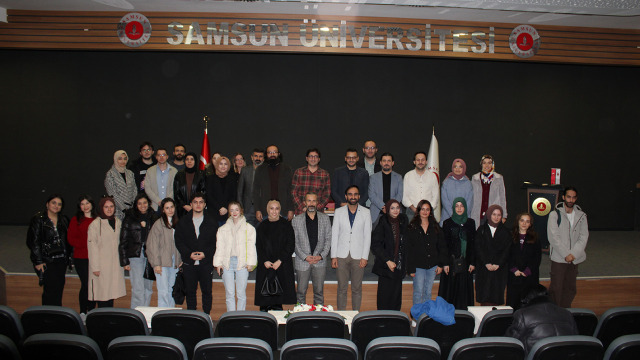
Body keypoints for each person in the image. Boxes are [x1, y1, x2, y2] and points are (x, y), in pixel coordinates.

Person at [174, 192, 218, 314]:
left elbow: (215, 242)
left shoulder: (212, 222)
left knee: (207, 292)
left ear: (204, 205)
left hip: (206, 263)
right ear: (191, 204)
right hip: (189, 263)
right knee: (190, 293)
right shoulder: (183, 222)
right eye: (195, 202)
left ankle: (206, 316)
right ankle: (191, 317)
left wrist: (206, 254)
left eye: (201, 202)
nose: (198, 205)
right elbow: (179, 241)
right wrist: (188, 254)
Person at [505, 284, 578, 354]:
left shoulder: (522, 315)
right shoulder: (567, 313)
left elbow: (510, 342)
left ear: (525, 299)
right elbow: (575, 340)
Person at [331, 185, 372, 311]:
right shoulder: (338, 212)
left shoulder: (366, 212)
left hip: (358, 256)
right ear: (346, 196)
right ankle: (341, 317)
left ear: (359, 196)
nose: (353, 197)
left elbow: (367, 236)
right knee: (342, 288)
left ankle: (355, 316)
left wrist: (365, 257)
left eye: (355, 194)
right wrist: (333, 256)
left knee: (356, 288)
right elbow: (335, 234)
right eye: (350, 194)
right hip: (341, 255)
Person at [547, 186, 588, 308]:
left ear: (576, 199)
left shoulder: (582, 216)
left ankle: (566, 311)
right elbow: (553, 237)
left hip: (575, 259)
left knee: (570, 287)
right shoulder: (554, 215)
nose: (571, 200)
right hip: (559, 258)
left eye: (573, 197)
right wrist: (566, 254)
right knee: (556, 287)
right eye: (568, 197)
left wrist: (573, 254)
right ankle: (554, 312)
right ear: (563, 197)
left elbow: (583, 236)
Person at [27, 194, 70, 306]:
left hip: (61, 260)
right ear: (47, 204)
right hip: (47, 260)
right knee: (49, 290)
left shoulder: (63, 219)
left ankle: (57, 315)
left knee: (59, 288)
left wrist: (69, 258)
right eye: (53, 203)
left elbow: (67, 240)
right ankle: (47, 317)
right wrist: (38, 261)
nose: (56, 206)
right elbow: (33, 242)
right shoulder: (38, 219)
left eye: (59, 204)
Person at [213, 201, 257, 311]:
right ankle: (230, 317)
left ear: (241, 210)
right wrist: (218, 264)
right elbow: (220, 247)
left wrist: (251, 263)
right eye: (231, 210)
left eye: (236, 209)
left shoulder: (249, 228)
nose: (234, 212)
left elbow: (251, 247)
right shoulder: (222, 229)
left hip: (242, 263)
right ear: (229, 212)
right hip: (227, 263)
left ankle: (240, 316)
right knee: (229, 293)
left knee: (241, 293)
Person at [118, 193, 159, 309]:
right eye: (139, 203)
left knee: (148, 288)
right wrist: (124, 261)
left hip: (150, 256)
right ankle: (136, 314)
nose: (142, 206)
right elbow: (123, 239)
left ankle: (144, 313)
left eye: (145, 203)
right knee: (138, 288)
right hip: (135, 256)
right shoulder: (129, 217)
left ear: (149, 203)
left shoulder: (154, 217)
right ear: (136, 205)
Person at [254, 200, 296, 311]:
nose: (274, 211)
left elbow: (290, 245)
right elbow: (258, 246)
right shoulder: (261, 226)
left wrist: (280, 260)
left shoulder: (286, 225)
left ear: (280, 210)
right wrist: (264, 260)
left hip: (281, 266)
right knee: (264, 302)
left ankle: (278, 327)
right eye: (271, 208)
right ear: (267, 210)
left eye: (277, 208)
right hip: (266, 266)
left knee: (278, 303)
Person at [406, 200, 448, 306]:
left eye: (427, 209)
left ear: (430, 211)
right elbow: (409, 250)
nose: (425, 212)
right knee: (418, 292)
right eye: (422, 209)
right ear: (418, 210)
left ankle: (425, 318)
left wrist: (440, 264)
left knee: (427, 293)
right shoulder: (412, 227)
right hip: (418, 266)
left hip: (432, 266)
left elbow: (442, 247)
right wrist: (410, 268)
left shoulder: (436, 226)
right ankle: (416, 319)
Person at [292, 193, 332, 305]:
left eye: (314, 201)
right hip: (302, 261)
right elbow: (294, 243)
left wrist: (321, 256)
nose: (311, 203)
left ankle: (318, 318)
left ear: (317, 202)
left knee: (319, 292)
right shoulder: (296, 220)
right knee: (300, 292)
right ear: (304, 202)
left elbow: (328, 239)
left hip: (319, 261)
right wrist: (305, 257)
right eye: (309, 201)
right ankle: (299, 318)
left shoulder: (325, 219)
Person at [87, 196, 127, 307]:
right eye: (106, 207)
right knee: (102, 295)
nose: (109, 209)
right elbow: (92, 247)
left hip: (114, 265)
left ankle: (109, 320)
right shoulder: (95, 225)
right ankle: (102, 321)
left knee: (111, 294)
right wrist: (95, 267)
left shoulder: (118, 222)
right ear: (101, 208)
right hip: (101, 267)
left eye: (111, 206)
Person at [438, 197, 477, 310]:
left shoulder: (471, 223)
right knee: (450, 293)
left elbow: (473, 244)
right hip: (451, 264)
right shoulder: (447, 223)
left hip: (466, 264)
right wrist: (445, 263)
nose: (459, 208)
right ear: (453, 208)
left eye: (462, 206)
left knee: (464, 293)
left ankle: (464, 319)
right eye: (457, 206)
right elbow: (444, 245)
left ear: (465, 207)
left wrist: (473, 262)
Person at [371, 199, 408, 310]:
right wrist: (387, 261)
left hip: (399, 265)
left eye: (397, 207)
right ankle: (382, 322)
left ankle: (395, 323)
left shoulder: (403, 220)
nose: (396, 210)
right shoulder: (383, 221)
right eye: (392, 208)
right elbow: (375, 245)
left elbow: (407, 242)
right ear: (387, 209)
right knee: (384, 297)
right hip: (385, 266)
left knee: (396, 297)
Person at [146, 198, 182, 308]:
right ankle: (162, 316)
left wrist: (180, 260)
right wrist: (156, 264)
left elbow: (181, 243)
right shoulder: (158, 224)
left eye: (172, 207)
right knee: (163, 291)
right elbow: (152, 245)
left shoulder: (178, 223)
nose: (170, 210)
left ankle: (170, 313)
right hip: (161, 262)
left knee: (171, 289)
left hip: (173, 262)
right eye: (167, 208)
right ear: (163, 210)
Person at [474, 204, 511, 306]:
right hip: (484, 268)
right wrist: (486, 263)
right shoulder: (481, 230)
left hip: (499, 269)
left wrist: (498, 264)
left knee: (496, 296)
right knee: (484, 295)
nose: (496, 217)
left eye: (499, 215)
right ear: (489, 215)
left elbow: (507, 250)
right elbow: (478, 248)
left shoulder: (506, 231)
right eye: (494, 214)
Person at [67, 194, 98, 315]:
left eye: (87, 203)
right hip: (81, 257)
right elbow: (71, 239)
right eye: (82, 204)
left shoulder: (98, 219)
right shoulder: (76, 220)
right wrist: (88, 244)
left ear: (92, 204)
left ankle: (91, 310)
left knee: (94, 285)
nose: (85, 206)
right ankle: (82, 311)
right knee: (86, 284)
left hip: (95, 258)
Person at [506, 213, 542, 309]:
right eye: (522, 220)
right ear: (518, 222)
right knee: (513, 304)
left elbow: (537, 258)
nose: (524, 223)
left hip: (529, 276)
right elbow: (507, 255)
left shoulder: (535, 238)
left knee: (529, 305)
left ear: (530, 224)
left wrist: (527, 271)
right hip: (514, 275)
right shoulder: (510, 236)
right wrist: (514, 269)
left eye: (527, 221)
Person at [252, 145, 294, 221]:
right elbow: (256, 191)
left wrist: (290, 209)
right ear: (266, 155)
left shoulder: (287, 169)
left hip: (283, 210)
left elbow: (290, 191)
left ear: (279, 154)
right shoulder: (260, 170)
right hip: (265, 211)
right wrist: (257, 210)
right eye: (270, 152)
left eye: (274, 152)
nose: (272, 154)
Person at [291, 148, 331, 215]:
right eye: (311, 156)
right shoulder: (298, 172)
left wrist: (317, 208)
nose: (313, 159)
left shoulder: (325, 174)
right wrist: (302, 207)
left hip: (318, 213)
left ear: (319, 159)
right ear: (306, 158)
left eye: (316, 156)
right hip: (301, 212)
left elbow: (327, 195)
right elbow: (293, 192)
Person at [471, 155, 507, 228]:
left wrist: (504, 215)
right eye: (484, 163)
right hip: (478, 214)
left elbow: (502, 198)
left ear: (492, 164)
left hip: (493, 215)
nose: (487, 165)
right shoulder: (475, 178)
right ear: (481, 164)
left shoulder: (499, 178)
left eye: (489, 163)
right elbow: (471, 197)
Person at [402, 151, 440, 220]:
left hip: (428, 213)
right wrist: (415, 210)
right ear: (414, 162)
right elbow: (405, 197)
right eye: (418, 160)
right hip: (412, 213)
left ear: (426, 162)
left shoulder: (432, 176)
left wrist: (427, 210)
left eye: (422, 160)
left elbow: (435, 196)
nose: (420, 162)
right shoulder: (408, 176)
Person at [369, 152, 404, 224]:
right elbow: (371, 195)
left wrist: (391, 207)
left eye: (389, 161)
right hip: (377, 213)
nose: (386, 163)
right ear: (381, 163)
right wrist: (383, 206)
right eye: (384, 161)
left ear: (392, 163)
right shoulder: (373, 178)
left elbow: (400, 194)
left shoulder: (399, 177)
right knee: (376, 235)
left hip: (394, 212)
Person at [104, 150, 137, 219]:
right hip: (118, 210)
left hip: (132, 209)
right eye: (120, 159)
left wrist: (133, 205)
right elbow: (112, 193)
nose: (123, 161)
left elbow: (134, 190)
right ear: (115, 159)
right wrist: (124, 209)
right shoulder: (110, 174)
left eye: (125, 159)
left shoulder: (130, 173)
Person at [440, 159, 474, 226]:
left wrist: (461, 217)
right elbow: (445, 201)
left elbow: (469, 203)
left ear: (464, 168)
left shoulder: (468, 183)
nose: (457, 169)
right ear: (452, 168)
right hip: (448, 217)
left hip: (464, 219)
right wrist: (454, 216)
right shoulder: (446, 182)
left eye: (460, 167)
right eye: (455, 166)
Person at [206, 156, 238, 225]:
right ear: (217, 165)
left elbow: (234, 196)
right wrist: (219, 208)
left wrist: (226, 208)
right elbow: (209, 196)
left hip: (228, 213)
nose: (223, 166)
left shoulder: (232, 179)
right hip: (214, 213)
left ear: (229, 166)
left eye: (225, 164)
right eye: (221, 164)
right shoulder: (210, 179)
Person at [173, 152, 206, 218]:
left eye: (192, 159)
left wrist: (195, 205)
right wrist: (184, 205)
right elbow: (176, 193)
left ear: (195, 161)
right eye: (187, 159)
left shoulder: (201, 175)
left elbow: (204, 191)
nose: (189, 161)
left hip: (198, 208)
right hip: (182, 210)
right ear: (184, 161)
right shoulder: (179, 175)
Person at [238, 148, 265, 226]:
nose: (258, 158)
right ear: (252, 157)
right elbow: (240, 191)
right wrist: (240, 207)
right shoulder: (245, 170)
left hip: (262, 208)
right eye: (256, 156)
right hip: (247, 209)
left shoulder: (266, 171)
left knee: (260, 234)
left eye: (260, 156)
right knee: (247, 234)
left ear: (263, 158)